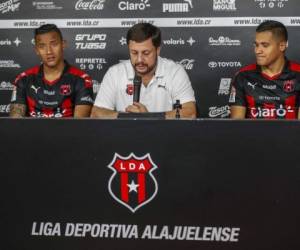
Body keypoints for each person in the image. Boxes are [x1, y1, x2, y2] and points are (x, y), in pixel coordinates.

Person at [91, 23, 196, 119]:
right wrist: (126, 118)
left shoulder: (175, 72)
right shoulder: (115, 73)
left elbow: (190, 113)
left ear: (158, 50)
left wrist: (148, 117)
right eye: (134, 53)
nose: (139, 60)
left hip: (163, 137)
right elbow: (96, 113)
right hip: (124, 137)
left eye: (146, 53)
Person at [10, 24, 93, 118]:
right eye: (42, 46)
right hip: (31, 132)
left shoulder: (81, 79)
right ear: (37, 50)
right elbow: (15, 122)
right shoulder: (23, 79)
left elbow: (80, 125)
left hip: (68, 132)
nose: (49, 51)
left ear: (63, 44)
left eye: (54, 44)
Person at [230, 20, 300, 119]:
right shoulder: (243, 76)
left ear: (282, 46)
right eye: (256, 45)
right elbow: (236, 126)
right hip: (252, 134)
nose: (257, 51)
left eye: (265, 45)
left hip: (291, 134)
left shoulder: (298, 75)